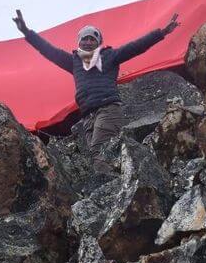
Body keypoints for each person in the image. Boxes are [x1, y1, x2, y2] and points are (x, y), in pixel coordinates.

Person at [12, 10, 180, 170]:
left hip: (108, 109)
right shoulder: (74, 61)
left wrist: (161, 33)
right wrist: (27, 32)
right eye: (84, 38)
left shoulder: (110, 56)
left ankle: (115, 190)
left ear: (99, 42)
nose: (88, 41)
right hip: (87, 116)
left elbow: (136, 46)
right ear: (79, 42)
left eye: (92, 38)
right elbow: (48, 51)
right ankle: (118, 182)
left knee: (98, 153)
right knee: (102, 156)